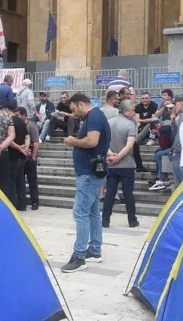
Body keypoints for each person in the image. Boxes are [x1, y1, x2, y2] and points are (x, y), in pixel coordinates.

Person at [61, 93, 111, 273]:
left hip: (89, 174)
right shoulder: (95, 116)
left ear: (81, 104)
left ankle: (79, 256)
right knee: (92, 212)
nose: (74, 113)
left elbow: (92, 141)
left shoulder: (94, 116)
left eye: (74, 109)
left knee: (80, 212)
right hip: (92, 172)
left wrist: (73, 141)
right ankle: (95, 250)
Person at [102, 100, 138, 228]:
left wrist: (111, 155)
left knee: (110, 193)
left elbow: (103, 142)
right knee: (128, 194)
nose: (134, 113)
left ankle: (105, 220)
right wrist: (118, 157)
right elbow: (129, 145)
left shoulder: (109, 122)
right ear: (126, 111)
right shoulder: (130, 125)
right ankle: (132, 220)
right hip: (127, 164)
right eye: (132, 110)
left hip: (111, 164)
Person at [8, 106, 31, 210]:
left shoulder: (9, 121)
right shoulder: (21, 121)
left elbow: (8, 139)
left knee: (12, 181)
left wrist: (19, 148)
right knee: (21, 181)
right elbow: (27, 136)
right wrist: (25, 147)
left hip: (12, 155)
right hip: (21, 156)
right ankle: (22, 205)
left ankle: (13, 204)